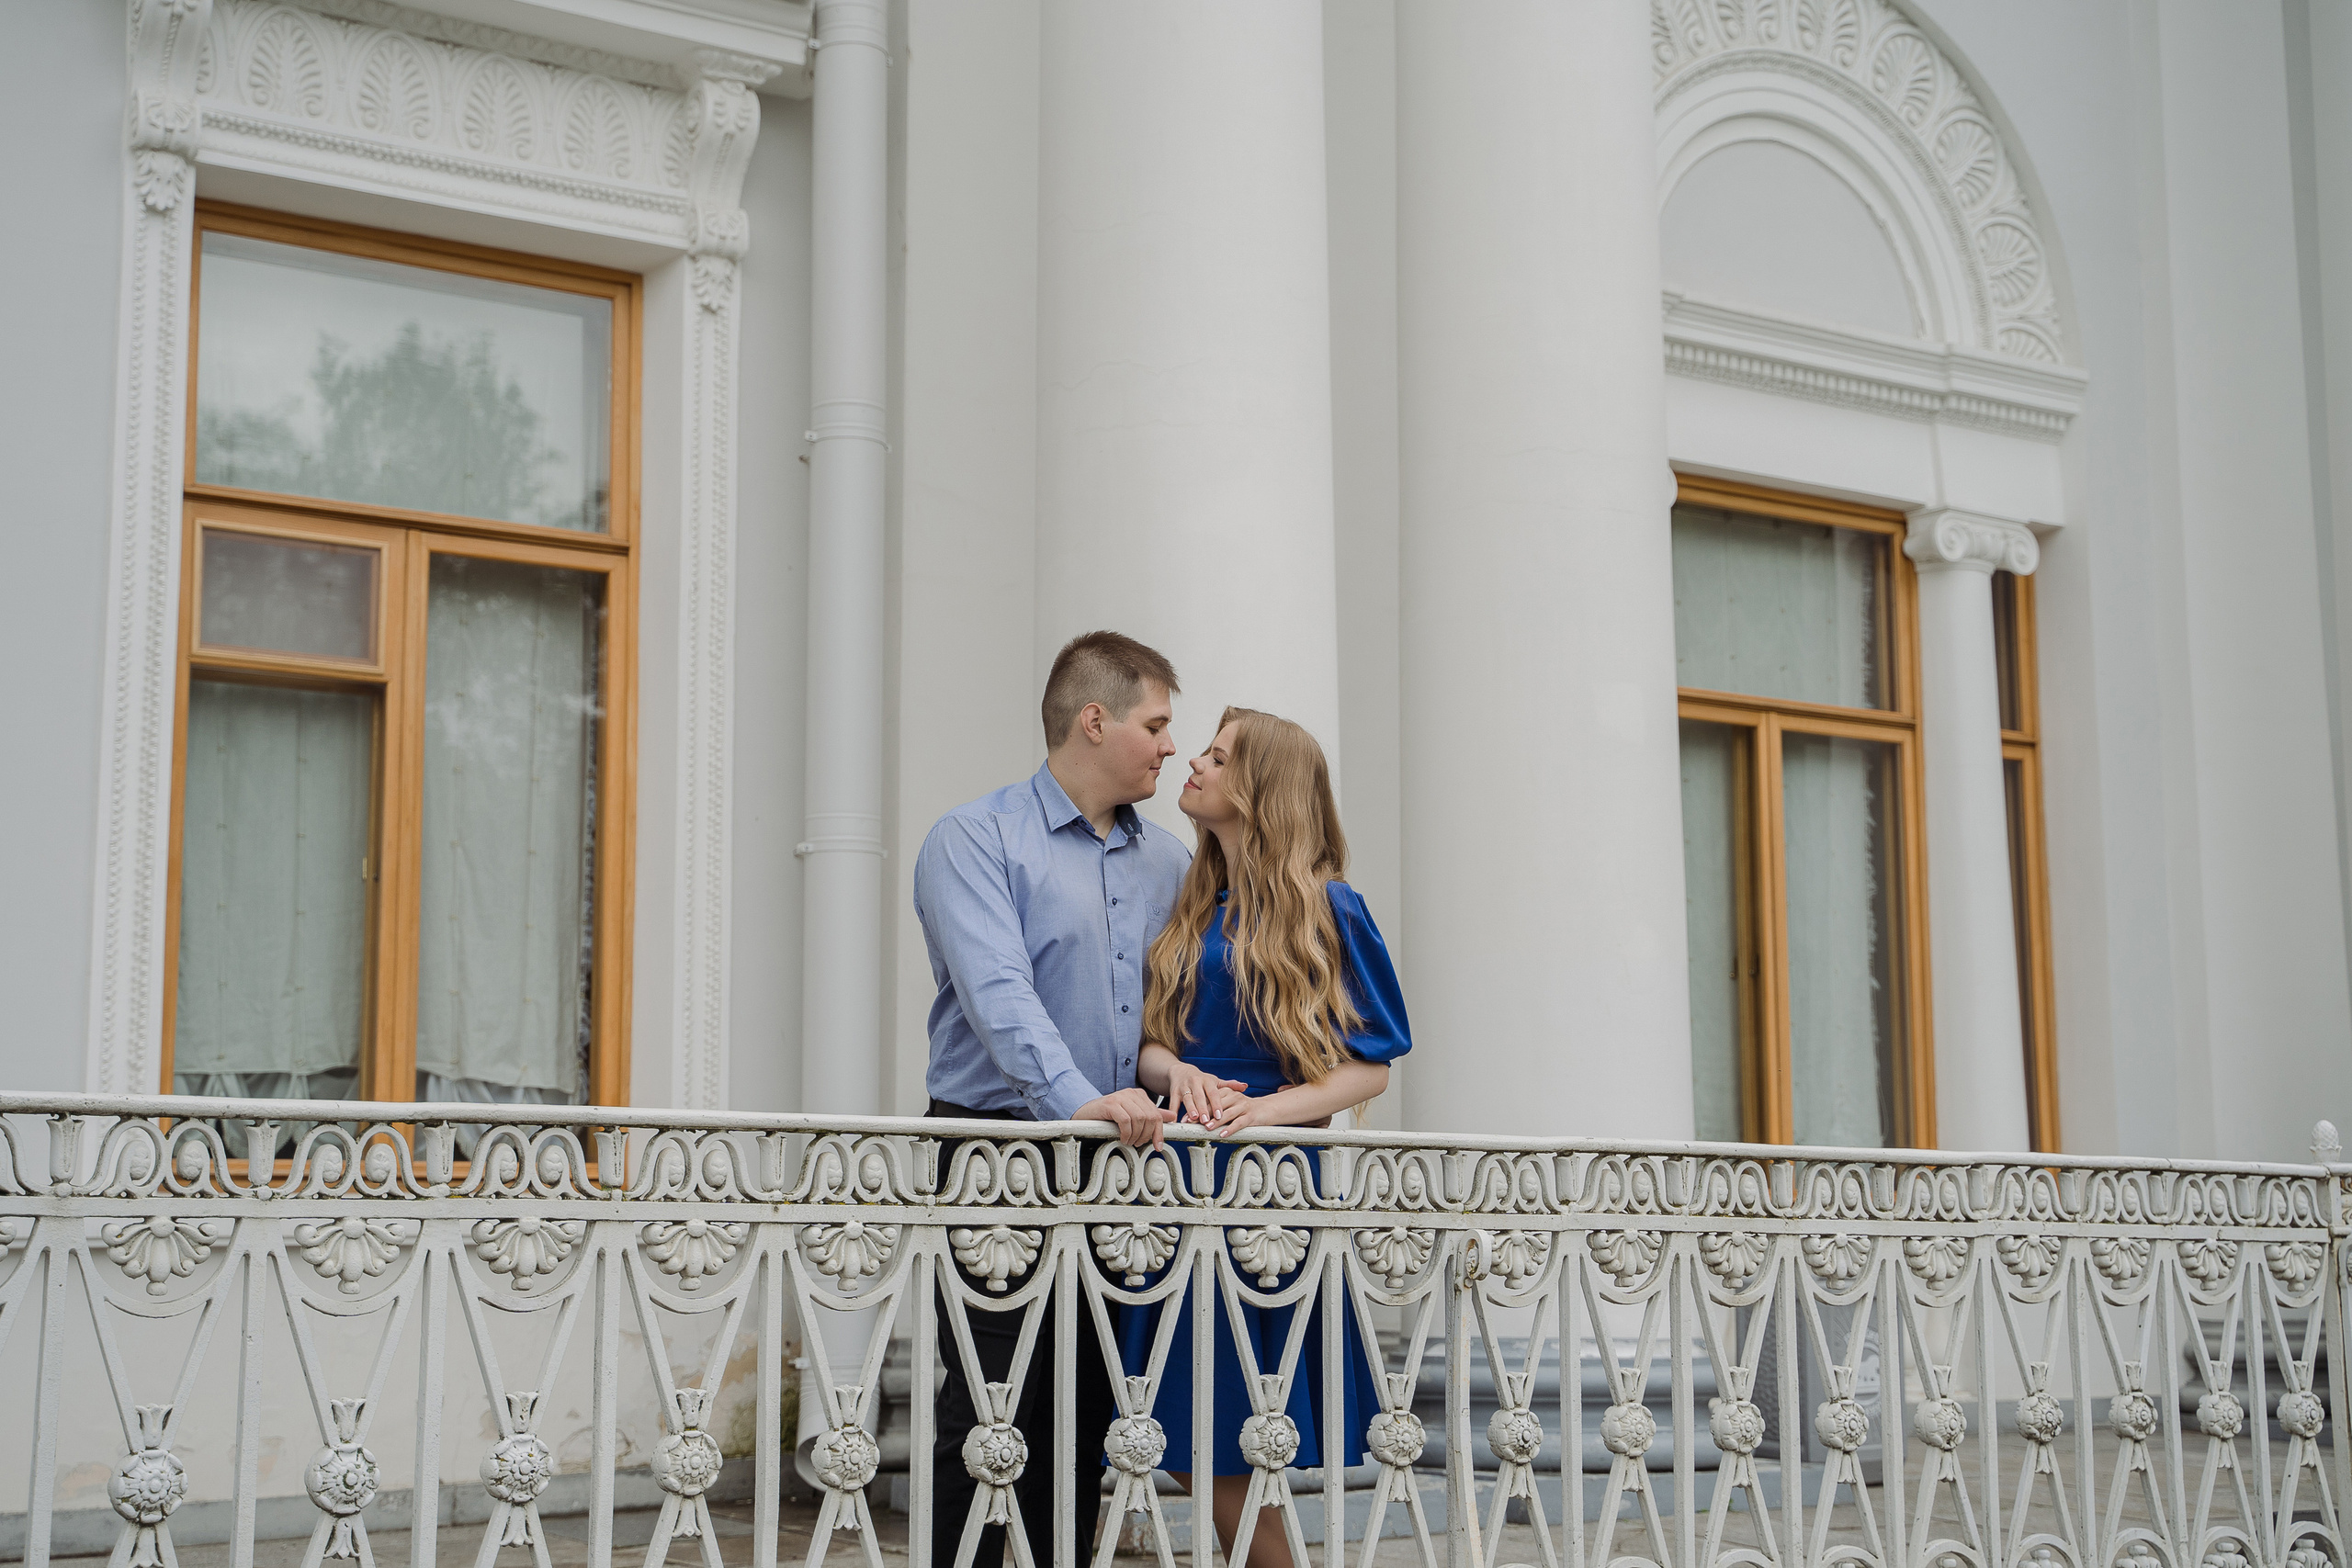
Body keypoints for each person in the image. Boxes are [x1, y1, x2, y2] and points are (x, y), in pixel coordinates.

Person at [912, 629, 1192, 1566]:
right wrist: (1081, 1103)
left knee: (1085, 1403)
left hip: (1120, 1156)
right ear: (1094, 719)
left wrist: (1164, 1081)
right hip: (994, 1148)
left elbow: (1167, 1016)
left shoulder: (1170, 866)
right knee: (990, 1405)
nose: (1169, 747)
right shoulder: (972, 839)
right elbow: (1000, 1000)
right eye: (1156, 725)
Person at [1122, 707, 1412, 1568]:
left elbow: (1374, 1063)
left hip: (1268, 1187)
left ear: (1261, 788)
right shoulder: (1195, 902)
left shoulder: (1330, 904)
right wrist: (1172, 1071)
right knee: (1171, 1418)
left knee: (1228, 1419)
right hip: (1172, 1178)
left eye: (1216, 757)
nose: (1195, 766)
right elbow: (1144, 1042)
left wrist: (1267, 1111)